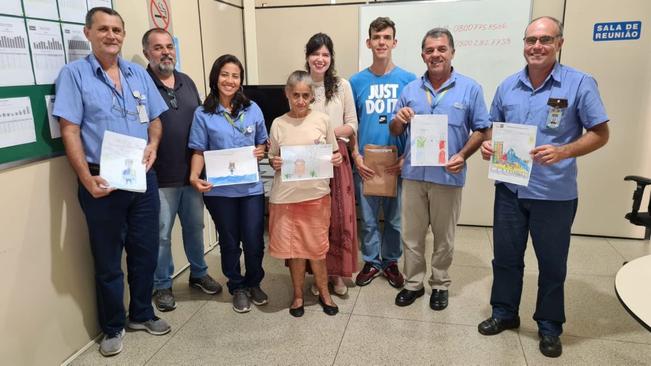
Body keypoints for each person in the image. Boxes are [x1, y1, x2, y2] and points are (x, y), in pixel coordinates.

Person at [477, 16, 609, 358]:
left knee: (552, 265)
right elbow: (493, 130)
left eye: (545, 40)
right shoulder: (507, 86)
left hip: (554, 193)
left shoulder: (579, 83)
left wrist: (563, 150)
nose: (537, 46)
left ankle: (549, 326)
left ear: (559, 44)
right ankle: (504, 312)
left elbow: (600, 133)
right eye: (531, 40)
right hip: (510, 189)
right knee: (505, 258)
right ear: (523, 44)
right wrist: (488, 146)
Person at [53, 7, 171, 357]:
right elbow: (69, 130)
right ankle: (113, 326)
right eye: (103, 29)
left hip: (141, 177)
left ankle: (142, 313)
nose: (111, 36)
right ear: (88, 33)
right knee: (107, 259)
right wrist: (85, 178)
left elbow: (155, 121)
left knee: (145, 251)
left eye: (117, 30)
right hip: (101, 179)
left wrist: (153, 145)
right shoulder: (74, 75)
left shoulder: (138, 74)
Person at [389, 28, 490, 310]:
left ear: (452, 52)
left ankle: (440, 284)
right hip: (413, 176)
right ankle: (413, 283)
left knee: (444, 237)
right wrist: (399, 118)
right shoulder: (410, 89)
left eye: (441, 49)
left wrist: (463, 154)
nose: (436, 55)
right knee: (411, 235)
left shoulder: (470, 88)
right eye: (430, 50)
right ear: (423, 55)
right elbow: (395, 130)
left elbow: (483, 129)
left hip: (449, 175)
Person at [142, 28, 222, 313]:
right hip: (159, 177)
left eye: (169, 46)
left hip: (192, 174)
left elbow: (202, 124)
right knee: (162, 234)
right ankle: (162, 283)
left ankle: (198, 273)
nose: (165, 52)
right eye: (158, 47)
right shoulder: (141, 83)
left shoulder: (187, 82)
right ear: (146, 53)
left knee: (195, 228)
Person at [188, 54, 268, 314]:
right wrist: (193, 176)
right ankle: (237, 286)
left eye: (235, 76)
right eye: (225, 74)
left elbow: (263, 143)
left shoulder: (252, 108)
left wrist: (260, 150)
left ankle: (254, 281)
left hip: (250, 189)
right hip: (220, 191)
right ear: (215, 77)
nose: (229, 80)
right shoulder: (203, 113)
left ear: (241, 80)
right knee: (230, 241)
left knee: (254, 239)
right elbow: (199, 150)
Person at [268, 70, 343, 317]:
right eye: (296, 95)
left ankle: (324, 293)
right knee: (295, 250)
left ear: (312, 96)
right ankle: (298, 295)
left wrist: (337, 157)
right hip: (287, 197)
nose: (300, 101)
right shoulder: (278, 123)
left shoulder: (322, 120)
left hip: (316, 195)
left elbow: (334, 153)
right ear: (287, 94)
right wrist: (274, 162)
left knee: (318, 248)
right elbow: (272, 158)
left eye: (305, 96)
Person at [349, 17, 416, 288]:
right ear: (369, 42)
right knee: (367, 219)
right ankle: (371, 261)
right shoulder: (356, 82)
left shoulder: (409, 80)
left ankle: (390, 261)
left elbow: (417, 125)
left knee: (395, 219)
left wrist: (406, 158)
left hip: (395, 163)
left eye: (386, 37)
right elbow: (351, 124)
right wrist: (356, 157)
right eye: (376, 37)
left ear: (394, 42)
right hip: (366, 163)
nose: (381, 42)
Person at [304, 33, 358, 296]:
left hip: (338, 158)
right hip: (309, 160)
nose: (320, 59)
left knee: (338, 219)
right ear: (308, 57)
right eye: (316, 54)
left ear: (331, 58)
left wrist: (327, 134)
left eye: (325, 54)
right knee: (315, 220)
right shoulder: (300, 84)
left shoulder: (342, 85)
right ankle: (318, 276)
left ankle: (337, 276)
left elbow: (352, 124)